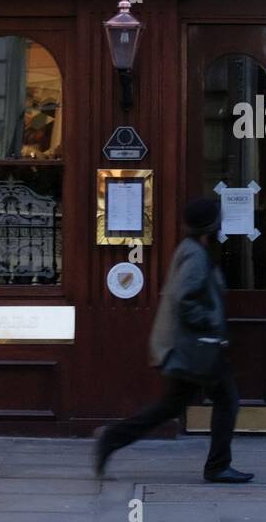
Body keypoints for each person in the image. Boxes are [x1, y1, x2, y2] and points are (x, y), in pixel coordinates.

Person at [94, 197, 253, 483]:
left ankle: (111, 439)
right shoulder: (195, 255)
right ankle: (217, 466)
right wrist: (209, 321)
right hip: (196, 346)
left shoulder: (193, 249)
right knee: (226, 400)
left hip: (190, 346)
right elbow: (184, 298)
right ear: (212, 225)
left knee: (170, 406)